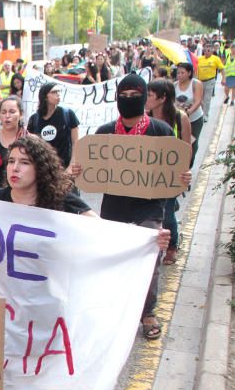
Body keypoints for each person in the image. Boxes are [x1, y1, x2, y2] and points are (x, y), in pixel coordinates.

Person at [0, 136, 105, 390]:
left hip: (48, 299)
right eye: (12, 161)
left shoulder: (61, 199)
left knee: (42, 359)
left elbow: (102, 232)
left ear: (41, 168)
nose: (15, 168)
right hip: (6, 297)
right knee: (2, 359)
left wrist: (146, 240)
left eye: (24, 162)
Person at [71, 74, 192, 341]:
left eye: (134, 94)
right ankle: (116, 310)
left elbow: (175, 169)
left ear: (144, 95)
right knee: (114, 262)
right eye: (123, 94)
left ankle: (147, 313)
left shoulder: (160, 131)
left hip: (149, 211)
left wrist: (183, 177)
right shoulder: (104, 134)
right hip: (114, 210)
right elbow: (89, 170)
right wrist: (80, 169)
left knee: (150, 262)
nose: (128, 99)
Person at [147, 80, 192, 267]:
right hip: (149, 175)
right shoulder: (144, 117)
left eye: (150, 95)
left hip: (171, 176)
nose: (146, 99)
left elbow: (187, 147)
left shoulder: (180, 118)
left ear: (162, 97)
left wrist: (184, 172)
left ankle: (172, 246)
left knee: (166, 214)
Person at [26, 83, 80, 169]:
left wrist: (72, 165)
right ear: (45, 97)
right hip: (43, 169)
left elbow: (76, 143)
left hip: (65, 169)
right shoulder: (34, 119)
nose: (58, 94)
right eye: (54, 92)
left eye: (59, 91)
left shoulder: (68, 114)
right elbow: (31, 146)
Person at [173, 62, 204, 156]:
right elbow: (172, 102)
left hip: (194, 119)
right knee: (179, 142)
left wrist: (189, 112)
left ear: (189, 73)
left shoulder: (196, 84)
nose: (180, 75)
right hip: (179, 119)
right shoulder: (174, 85)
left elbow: (198, 101)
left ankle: (190, 162)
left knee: (192, 142)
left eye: (182, 73)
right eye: (178, 73)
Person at [196, 44, 224, 116]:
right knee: (200, 99)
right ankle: (202, 112)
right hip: (200, 82)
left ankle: (205, 115)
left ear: (212, 51)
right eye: (205, 50)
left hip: (210, 81)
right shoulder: (199, 59)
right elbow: (195, 68)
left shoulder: (215, 59)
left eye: (208, 50)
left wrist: (224, 78)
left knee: (207, 99)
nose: (206, 52)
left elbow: (222, 69)